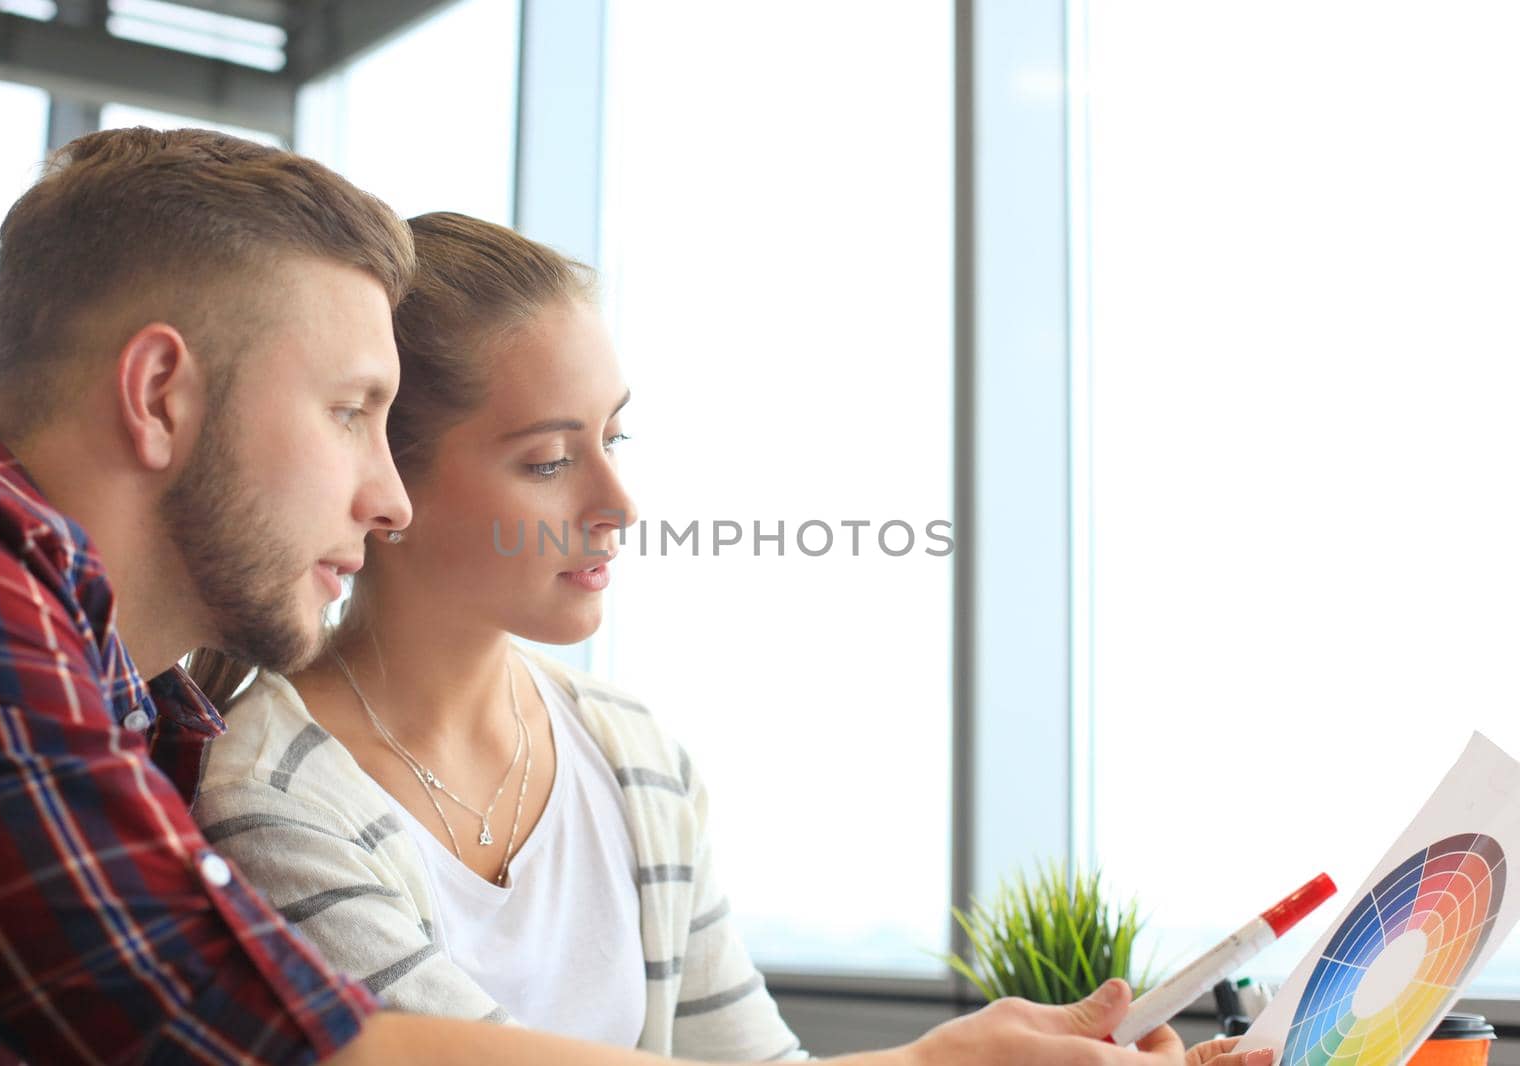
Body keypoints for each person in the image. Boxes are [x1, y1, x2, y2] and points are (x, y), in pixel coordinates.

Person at [186, 212, 1272, 1066]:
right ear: (389, 479)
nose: (620, 501)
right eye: (551, 460)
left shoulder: (631, 756)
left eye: (615, 437)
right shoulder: (277, 795)